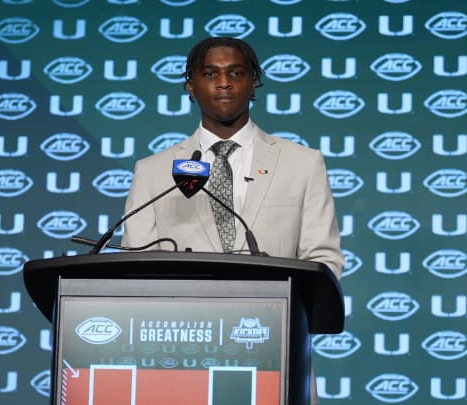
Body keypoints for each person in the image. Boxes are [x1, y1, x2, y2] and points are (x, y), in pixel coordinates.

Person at [120, 36, 344, 404]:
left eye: (236, 72)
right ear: (190, 86)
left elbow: (324, 259)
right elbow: (135, 266)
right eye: (210, 73)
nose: (223, 82)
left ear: (254, 81)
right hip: (178, 360)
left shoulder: (303, 163)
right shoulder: (154, 172)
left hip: (274, 349)